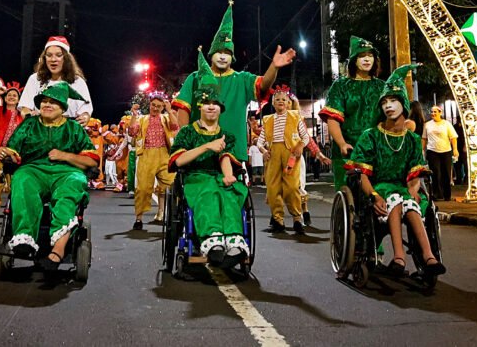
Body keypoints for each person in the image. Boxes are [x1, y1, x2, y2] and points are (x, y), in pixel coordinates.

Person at [172, 1, 295, 166]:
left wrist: (274, 67)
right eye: (219, 52)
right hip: (199, 152)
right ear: (211, 54)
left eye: (227, 53)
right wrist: (186, 139)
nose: (223, 56)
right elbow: (183, 108)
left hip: (234, 154)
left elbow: (263, 85)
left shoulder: (242, 79)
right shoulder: (195, 77)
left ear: (233, 57)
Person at [347, 71, 445, 277]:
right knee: (396, 199)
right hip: (378, 188)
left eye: (393, 101)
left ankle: (429, 256)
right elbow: (362, 174)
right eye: (384, 102)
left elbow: (415, 173)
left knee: (410, 202)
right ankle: (399, 257)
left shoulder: (411, 139)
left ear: (404, 105)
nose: (388, 106)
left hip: (403, 188)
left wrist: (414, 190)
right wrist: (374, 195)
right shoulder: (371, 136)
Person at [0, 81, 98, 270]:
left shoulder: (74, 129)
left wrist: (64, 155)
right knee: (22, 179)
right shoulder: (29, 124)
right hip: (33, 169)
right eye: (44, 101)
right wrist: (2, 152)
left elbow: (92, 160)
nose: (47, 105)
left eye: (54, 102)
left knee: (72, 186)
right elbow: (11, 149)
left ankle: (57, 252)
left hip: (66, 172)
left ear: (63, 107)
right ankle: (24, 240)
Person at [168, 56, 249, 268]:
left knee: (229, 193)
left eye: (215, 104)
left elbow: (224, 156)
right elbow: (178, 161)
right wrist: (206, 147)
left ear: (221, 109)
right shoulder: (187, 133)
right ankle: (213, 244)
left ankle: (234, 245)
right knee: (209, 194)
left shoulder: (227, 136)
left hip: (220, 175)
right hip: (196, 177)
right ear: (200, 107)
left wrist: (229, 174)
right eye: (206, 104)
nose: (211, 107)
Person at [319, 35, 415, 190]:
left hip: (377, 150)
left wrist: (405, 126)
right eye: (362, 55)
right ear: (353, 60)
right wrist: (342, 143)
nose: (366, 59)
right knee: (351, 193)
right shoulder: (340, 86)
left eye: (370, 55)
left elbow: (392, 116)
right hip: (348, 151)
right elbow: (332, 119)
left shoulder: (382, 87)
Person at [257, 85, 324, 235]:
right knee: (273, 189)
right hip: (273, 156)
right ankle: (278, 220)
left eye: (284, 99)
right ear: (273, 103)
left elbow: (305, 136)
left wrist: (300, 145)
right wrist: (263, 151)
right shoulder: (267, 120)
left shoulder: (295, 117)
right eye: (277, 99)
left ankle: (296, 218)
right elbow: (260, 141)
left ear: (288, 103)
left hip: (291, 156)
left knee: (292, 188)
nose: (281, 101)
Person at [130, 90, 178, 229]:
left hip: (164, 155)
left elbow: (175, 127)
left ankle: (168, 214)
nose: (155, 108)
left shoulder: (166, 118)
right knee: (143, 188)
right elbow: (132, 132)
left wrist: (170, 111)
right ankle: (138, 219)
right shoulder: (142, 119)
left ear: (163, 107)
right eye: (153, 105)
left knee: (172, 184)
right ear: (149, 105)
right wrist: (133, 115)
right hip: (146, 155)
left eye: (159, 106)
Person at [19, 36, 93, 124]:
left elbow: (86, 109)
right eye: (49, 55)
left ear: (66, 59)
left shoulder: (77, 81)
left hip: (67, 131)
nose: (53, 59)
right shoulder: (35, 79)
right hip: (40, 130)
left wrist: (85, 116)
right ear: (44, 58)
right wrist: (29, 115)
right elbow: (25, 108)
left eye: (58, 55)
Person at [0, 83, 24, 218]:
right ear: (5, 97)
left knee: (16, 183)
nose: (11, 97)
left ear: (19, 99)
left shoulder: (22, 114)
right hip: (0, 152)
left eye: (15, 95)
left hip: (16, 153)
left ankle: (14, 209)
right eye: (9, 95)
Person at [422, 105, 459, 201]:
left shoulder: (446, 124)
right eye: (432, 112)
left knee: (446, 173)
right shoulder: (427, 125)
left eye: (435, 112)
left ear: (440, 113)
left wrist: (455, 149)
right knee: (435, 173)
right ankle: (437, 194)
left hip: (446, 150)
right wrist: (422, 150)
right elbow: (424, 138)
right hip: (432, 151)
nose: (433, 114)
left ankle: (447, 194)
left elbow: (453, 137)